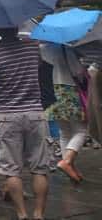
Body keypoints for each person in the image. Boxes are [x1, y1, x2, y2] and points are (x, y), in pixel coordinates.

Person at [0, 28, 51, 220]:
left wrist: (6, 87)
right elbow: (37, 70)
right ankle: (39, 214)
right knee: (39, 167)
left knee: (11, 169)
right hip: (35, 113)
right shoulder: (32, 48)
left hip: (7, 115)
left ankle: (22, 214)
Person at [42, 43, 87, 183]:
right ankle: (67, 162)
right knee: (81, 130)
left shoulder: (41, 49)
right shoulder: (64, 47)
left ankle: (69, 167)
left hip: (50, 91)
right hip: (68, 90)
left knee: (64, 132)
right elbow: (77, 71)